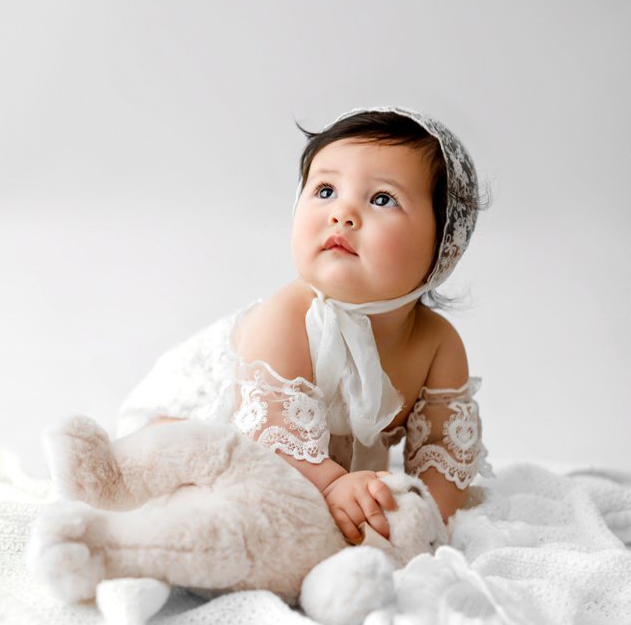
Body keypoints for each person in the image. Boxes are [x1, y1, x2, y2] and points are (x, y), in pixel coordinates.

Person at [117, 106, 492, 545]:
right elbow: (273, 441)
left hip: (313, 468)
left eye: (382, 199)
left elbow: (444, 457)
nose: (343, 214)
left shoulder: (437, 343)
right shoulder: (285, 317)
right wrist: (332, 484)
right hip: (203, 425)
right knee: (189, 467)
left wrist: (425, 516)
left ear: (444, 246)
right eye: (327, 190)